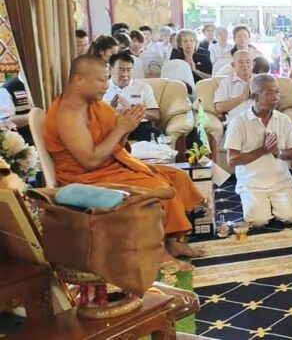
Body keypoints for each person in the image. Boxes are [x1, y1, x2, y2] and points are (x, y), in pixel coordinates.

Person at [44, 55, 206, 268]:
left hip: (109, 166)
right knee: (158, 190)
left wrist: (125, 127)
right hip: (87, 177)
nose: (106, 86)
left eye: (107, 79)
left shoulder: (95, 106)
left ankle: (171, 243)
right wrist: (121, 129)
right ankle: (158, 253)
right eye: (102, 80)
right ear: (79, 80)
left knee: (177, 176)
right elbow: (90, 161)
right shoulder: (69, 113)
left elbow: (112, 143)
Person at [225, 74, 292, 227]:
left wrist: (277, 152)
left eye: (277, 92)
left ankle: (273, 204)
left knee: (290, 217)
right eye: (269, 93)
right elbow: (232, 160)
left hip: (281, 182)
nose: (276, 97)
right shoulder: (239, 122)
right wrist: (263, 150)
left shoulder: (284, 120)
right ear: (255, 97)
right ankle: (258, 204)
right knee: (258, 221)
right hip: (252, 183)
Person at [104, 52, 161, 142]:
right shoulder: (102, 87)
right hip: (110, 126)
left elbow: (155, 115)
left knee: (150, 133)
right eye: (121, 70)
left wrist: (132, 109)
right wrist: (110, 109)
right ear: (110, 70)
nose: (125, 74)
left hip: (138, 126)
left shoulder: (143, 87)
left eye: (129, 70)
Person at [214, 50, 255, 124]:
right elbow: (219, 108)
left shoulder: (261, 80)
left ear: (253, 64)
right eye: (241, 62)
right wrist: (243, 97)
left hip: (259, 121)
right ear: (233, 65)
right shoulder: (226, 82)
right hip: (236, 122)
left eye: (248, 62)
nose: (245, 65)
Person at [0, 77, 34, 145]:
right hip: (26, 145)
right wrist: (34, 116)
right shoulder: (7, 89)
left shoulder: (45, 84)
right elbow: (5, 123)